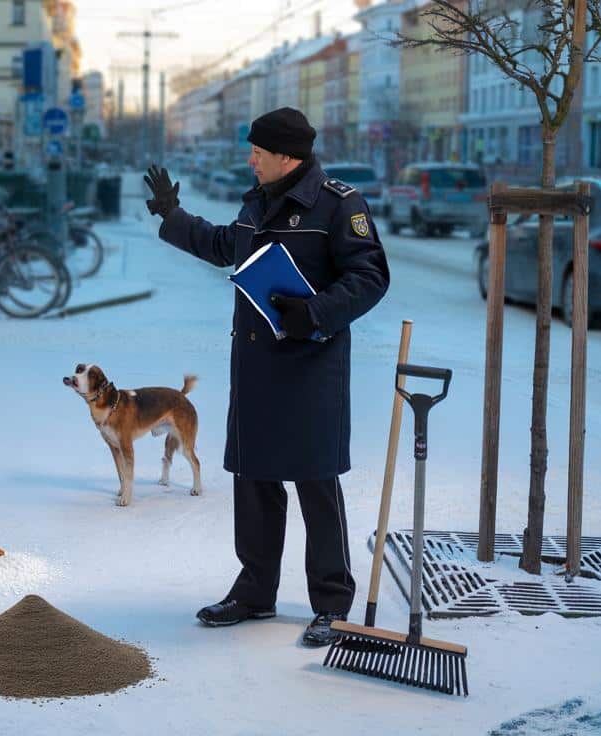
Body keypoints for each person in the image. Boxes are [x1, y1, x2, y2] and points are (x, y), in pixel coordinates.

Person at [143, 107, 390, 646]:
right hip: (256, 368)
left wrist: (316, 313)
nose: (250, 160)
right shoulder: (257, 202)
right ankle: (255, 592)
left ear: (287, 156)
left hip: (311, 370)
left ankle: (332, 603)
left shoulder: (339, 205)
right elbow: (224, 245)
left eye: (258, 152)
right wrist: (172, 215)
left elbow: (370, 276)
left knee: (315, 484)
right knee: (254, 480)